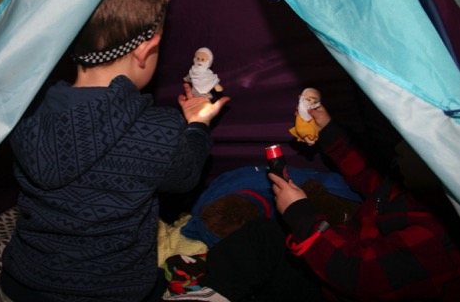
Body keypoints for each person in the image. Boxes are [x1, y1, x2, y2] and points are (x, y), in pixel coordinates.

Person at [0, 0, 230, 302]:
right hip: (112, 292)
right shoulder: (162, 130)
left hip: (20, 286)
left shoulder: (23, 111)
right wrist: (196, 127)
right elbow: (185, 175)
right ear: (146, 50)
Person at [161, 103, 460, 301]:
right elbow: (366, 177)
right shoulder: (416, 197)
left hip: (339, 285)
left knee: (270, 236)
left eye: (411, 147)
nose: (399, 149)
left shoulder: (436, 238)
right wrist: (328, 130)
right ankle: (214, 289)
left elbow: (354, 271)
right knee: (267, 237)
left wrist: (301, 213)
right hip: (335, 261)